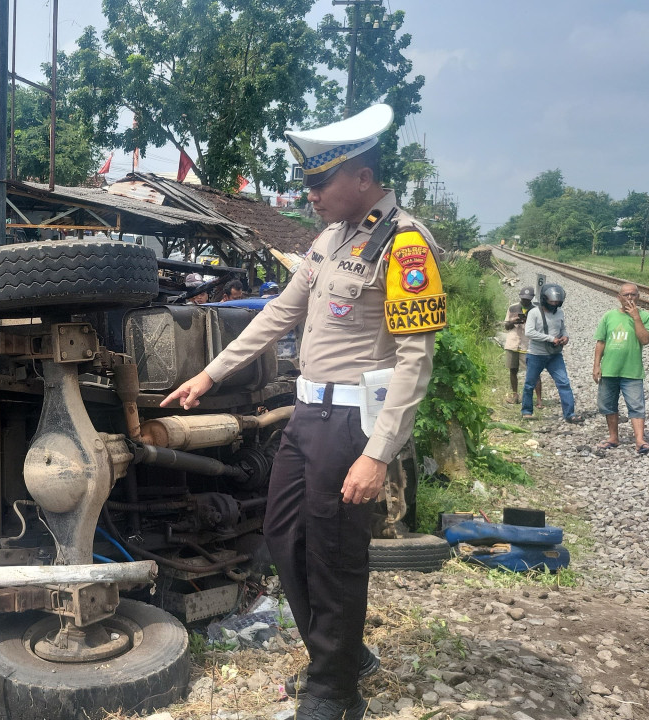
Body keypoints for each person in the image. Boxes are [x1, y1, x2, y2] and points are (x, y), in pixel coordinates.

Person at [162, 104, 444, 720]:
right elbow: (278, 315)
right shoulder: (328, 239)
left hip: (352, 425)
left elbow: (415, 360)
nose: (308, 193)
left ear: (363, 177)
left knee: (334, 551)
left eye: (320, 182)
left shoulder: (405, 245)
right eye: (307, 182)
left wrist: (378, 454)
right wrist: (209, 375)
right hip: (306, 414)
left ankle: (335, 689)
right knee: (282, 534)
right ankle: (342, 652)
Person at [593, 283, 649, 454]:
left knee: (636, 406)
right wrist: (596, 365)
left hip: (632, 370)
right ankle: (613, 438)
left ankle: (640, 441)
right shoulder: (609, 316)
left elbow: (645, 340)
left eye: (633, 295)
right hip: (610, 370)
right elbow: (601, 342)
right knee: (608, 405)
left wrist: (636, 318)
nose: (630, 298)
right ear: (619, 297)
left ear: (639, 296)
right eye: (626, 295)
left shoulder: (645, 316)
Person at [522, 283, 579, 423]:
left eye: (557, 302)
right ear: (544, 299)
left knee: (564, 382)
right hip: (536, 354)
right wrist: (549, 338)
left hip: (555, 355)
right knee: (530, 383)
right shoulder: (534, 313)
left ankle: (569, 414)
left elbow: (562, 329)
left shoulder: (559, 313)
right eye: (552, 301)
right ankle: (527, 411)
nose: (554, 304)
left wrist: (565, 337)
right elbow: (529, 332)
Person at [502, 287, 542, 406]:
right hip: (513, 343)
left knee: (534, 371)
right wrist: (513, 321)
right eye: (523, 299)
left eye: (528, 299)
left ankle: (539, 399)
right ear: (520, 297)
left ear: (532, 298)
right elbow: (506, 326)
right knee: (513, 370)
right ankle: (515, 395)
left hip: (528, 344)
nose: (525, 301)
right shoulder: (512, 308)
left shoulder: (536, 310)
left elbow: (539, 328)